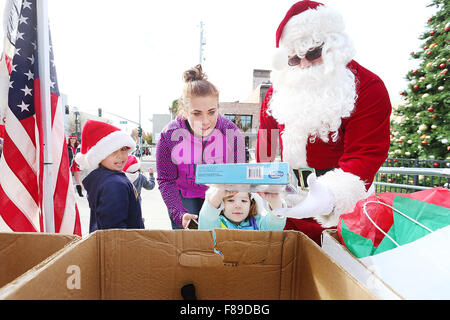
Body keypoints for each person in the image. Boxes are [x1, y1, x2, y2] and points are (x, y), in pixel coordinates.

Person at [257, 0, 392, 245]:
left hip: (346, 213)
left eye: (312, 53)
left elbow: (364, 155)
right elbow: (266, 142)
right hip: (289, 204)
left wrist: (328, 197)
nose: (305, 64)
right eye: (294, 60)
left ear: (333, 46)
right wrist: (263, 178)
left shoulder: (369, 88)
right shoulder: (278, 91)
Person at [156, 64, 246, 230]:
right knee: (188, 245)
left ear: (218, 108)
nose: (205, 121)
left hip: (219, 193)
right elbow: (166, 180)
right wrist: (178, 213)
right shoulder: (169, 135)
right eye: (196, 113)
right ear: (185, 111)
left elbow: (239, 173)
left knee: (218, 242)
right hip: (183, 195)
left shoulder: (231, 132)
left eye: (211, 112)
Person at [75, 120, 144, 233]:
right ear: (99, 156)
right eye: (112, 151)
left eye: (123, 149)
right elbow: (114, 232)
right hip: (121, 247)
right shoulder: (114, 184)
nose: (120, 155)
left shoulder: (106, 178)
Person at [198, 188, 286, 231]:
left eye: (244, 201)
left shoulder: (259, 223)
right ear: (222, 203)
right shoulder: (216, 224)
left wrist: (275, 201)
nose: (238, 206)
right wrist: (219, 194)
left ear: (251, 204)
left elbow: (275, 227)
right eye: (231, 200)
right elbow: (207, 219)